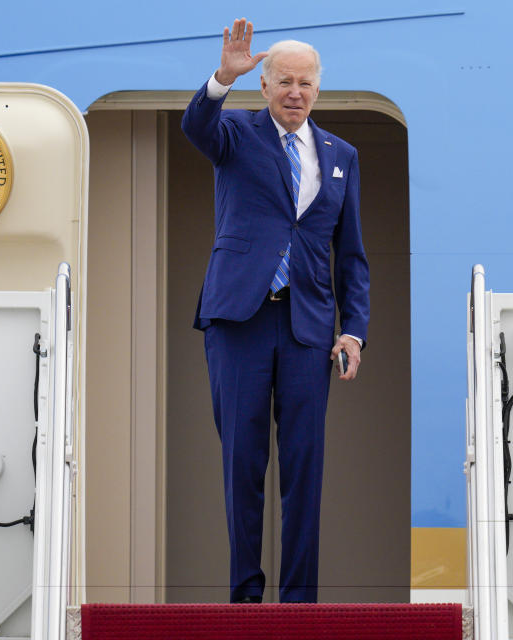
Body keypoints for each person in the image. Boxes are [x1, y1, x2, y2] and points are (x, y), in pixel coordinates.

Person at [181, 18, 370, 604]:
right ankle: (245, 598)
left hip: (309, 328)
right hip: (240, 320)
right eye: (284, 81)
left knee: (305, 468)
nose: (295, 92)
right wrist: (220, 80)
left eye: (305, 83)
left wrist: (354, 331)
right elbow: (197, 126)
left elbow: (352, 256)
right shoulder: (234, 133)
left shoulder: (342, 155)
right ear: (263, 85)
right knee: (243, 461)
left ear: (319, 89)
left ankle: (298, 604)